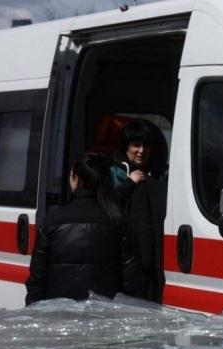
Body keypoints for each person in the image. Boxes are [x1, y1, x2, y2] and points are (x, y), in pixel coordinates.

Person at [25, 152, 145, 305]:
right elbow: (132, 280)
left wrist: (31, 309)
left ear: (76, 180)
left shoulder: (51, 221)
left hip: (58, 313)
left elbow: (37, 280)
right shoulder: (119, 221)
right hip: (104, 313)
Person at [111, 119, 167, 303]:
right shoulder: (114, 174)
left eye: (146, 146)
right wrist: (129, 184)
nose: (142, 151)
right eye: (136, 145)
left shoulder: (158, 176)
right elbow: (107, 206)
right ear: (126, 147)